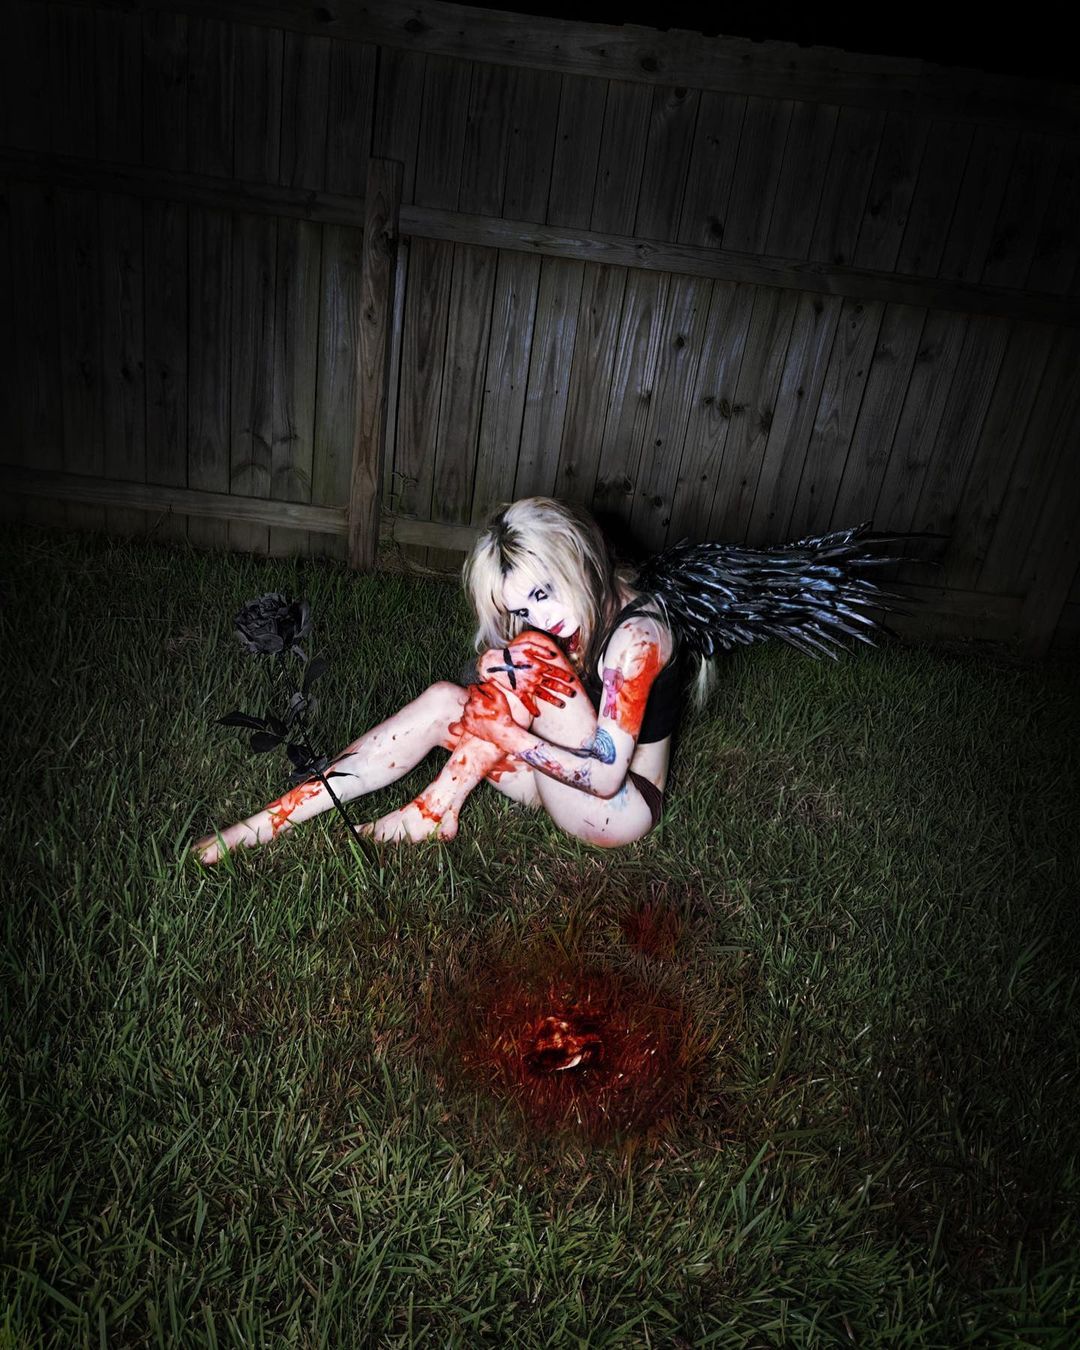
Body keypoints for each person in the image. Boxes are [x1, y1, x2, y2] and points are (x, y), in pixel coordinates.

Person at [194, 497, 693, 861]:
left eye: (543, 594)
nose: (542, 619)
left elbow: (605, 778)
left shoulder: (638, 638)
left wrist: (508, 734)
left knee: (530, 658)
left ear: (576, 555)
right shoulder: (573, 611)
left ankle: (433, 810)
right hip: (556, 783)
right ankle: (258, 827)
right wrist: (497, 683)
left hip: (616, 810)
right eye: (522, 608)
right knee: (443, 701)